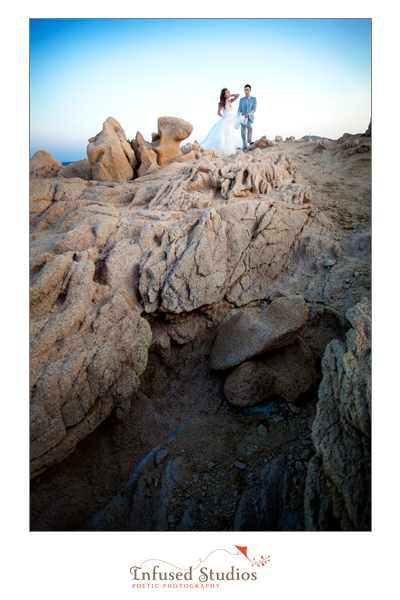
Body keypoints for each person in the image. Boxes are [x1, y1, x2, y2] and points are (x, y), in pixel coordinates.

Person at [200, 88, 247, 156]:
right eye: (227, 92)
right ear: (224, 95)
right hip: (225, 121)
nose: (229, 92)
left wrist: (230, 95)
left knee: (230, 136)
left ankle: (229, 151)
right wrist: (223, 116)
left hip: (231, 121)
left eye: (229, 91)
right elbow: (218, 113)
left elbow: (237, 95)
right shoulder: (222, 103)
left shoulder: (230, 101)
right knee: (224, 136)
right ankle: (223, 151)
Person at [237, 84, 257, 150]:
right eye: (245, 90)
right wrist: (239, 115)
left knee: (249, 126)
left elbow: (253, 109)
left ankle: (249, 141)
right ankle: (245, 147)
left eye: (247, 90)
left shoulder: (254, 99)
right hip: (243, 118)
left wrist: (248, 114)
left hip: (249, 117)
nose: (246, 91)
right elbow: (239, 109)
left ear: (250, 90)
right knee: (243, 133)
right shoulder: (241, 100)